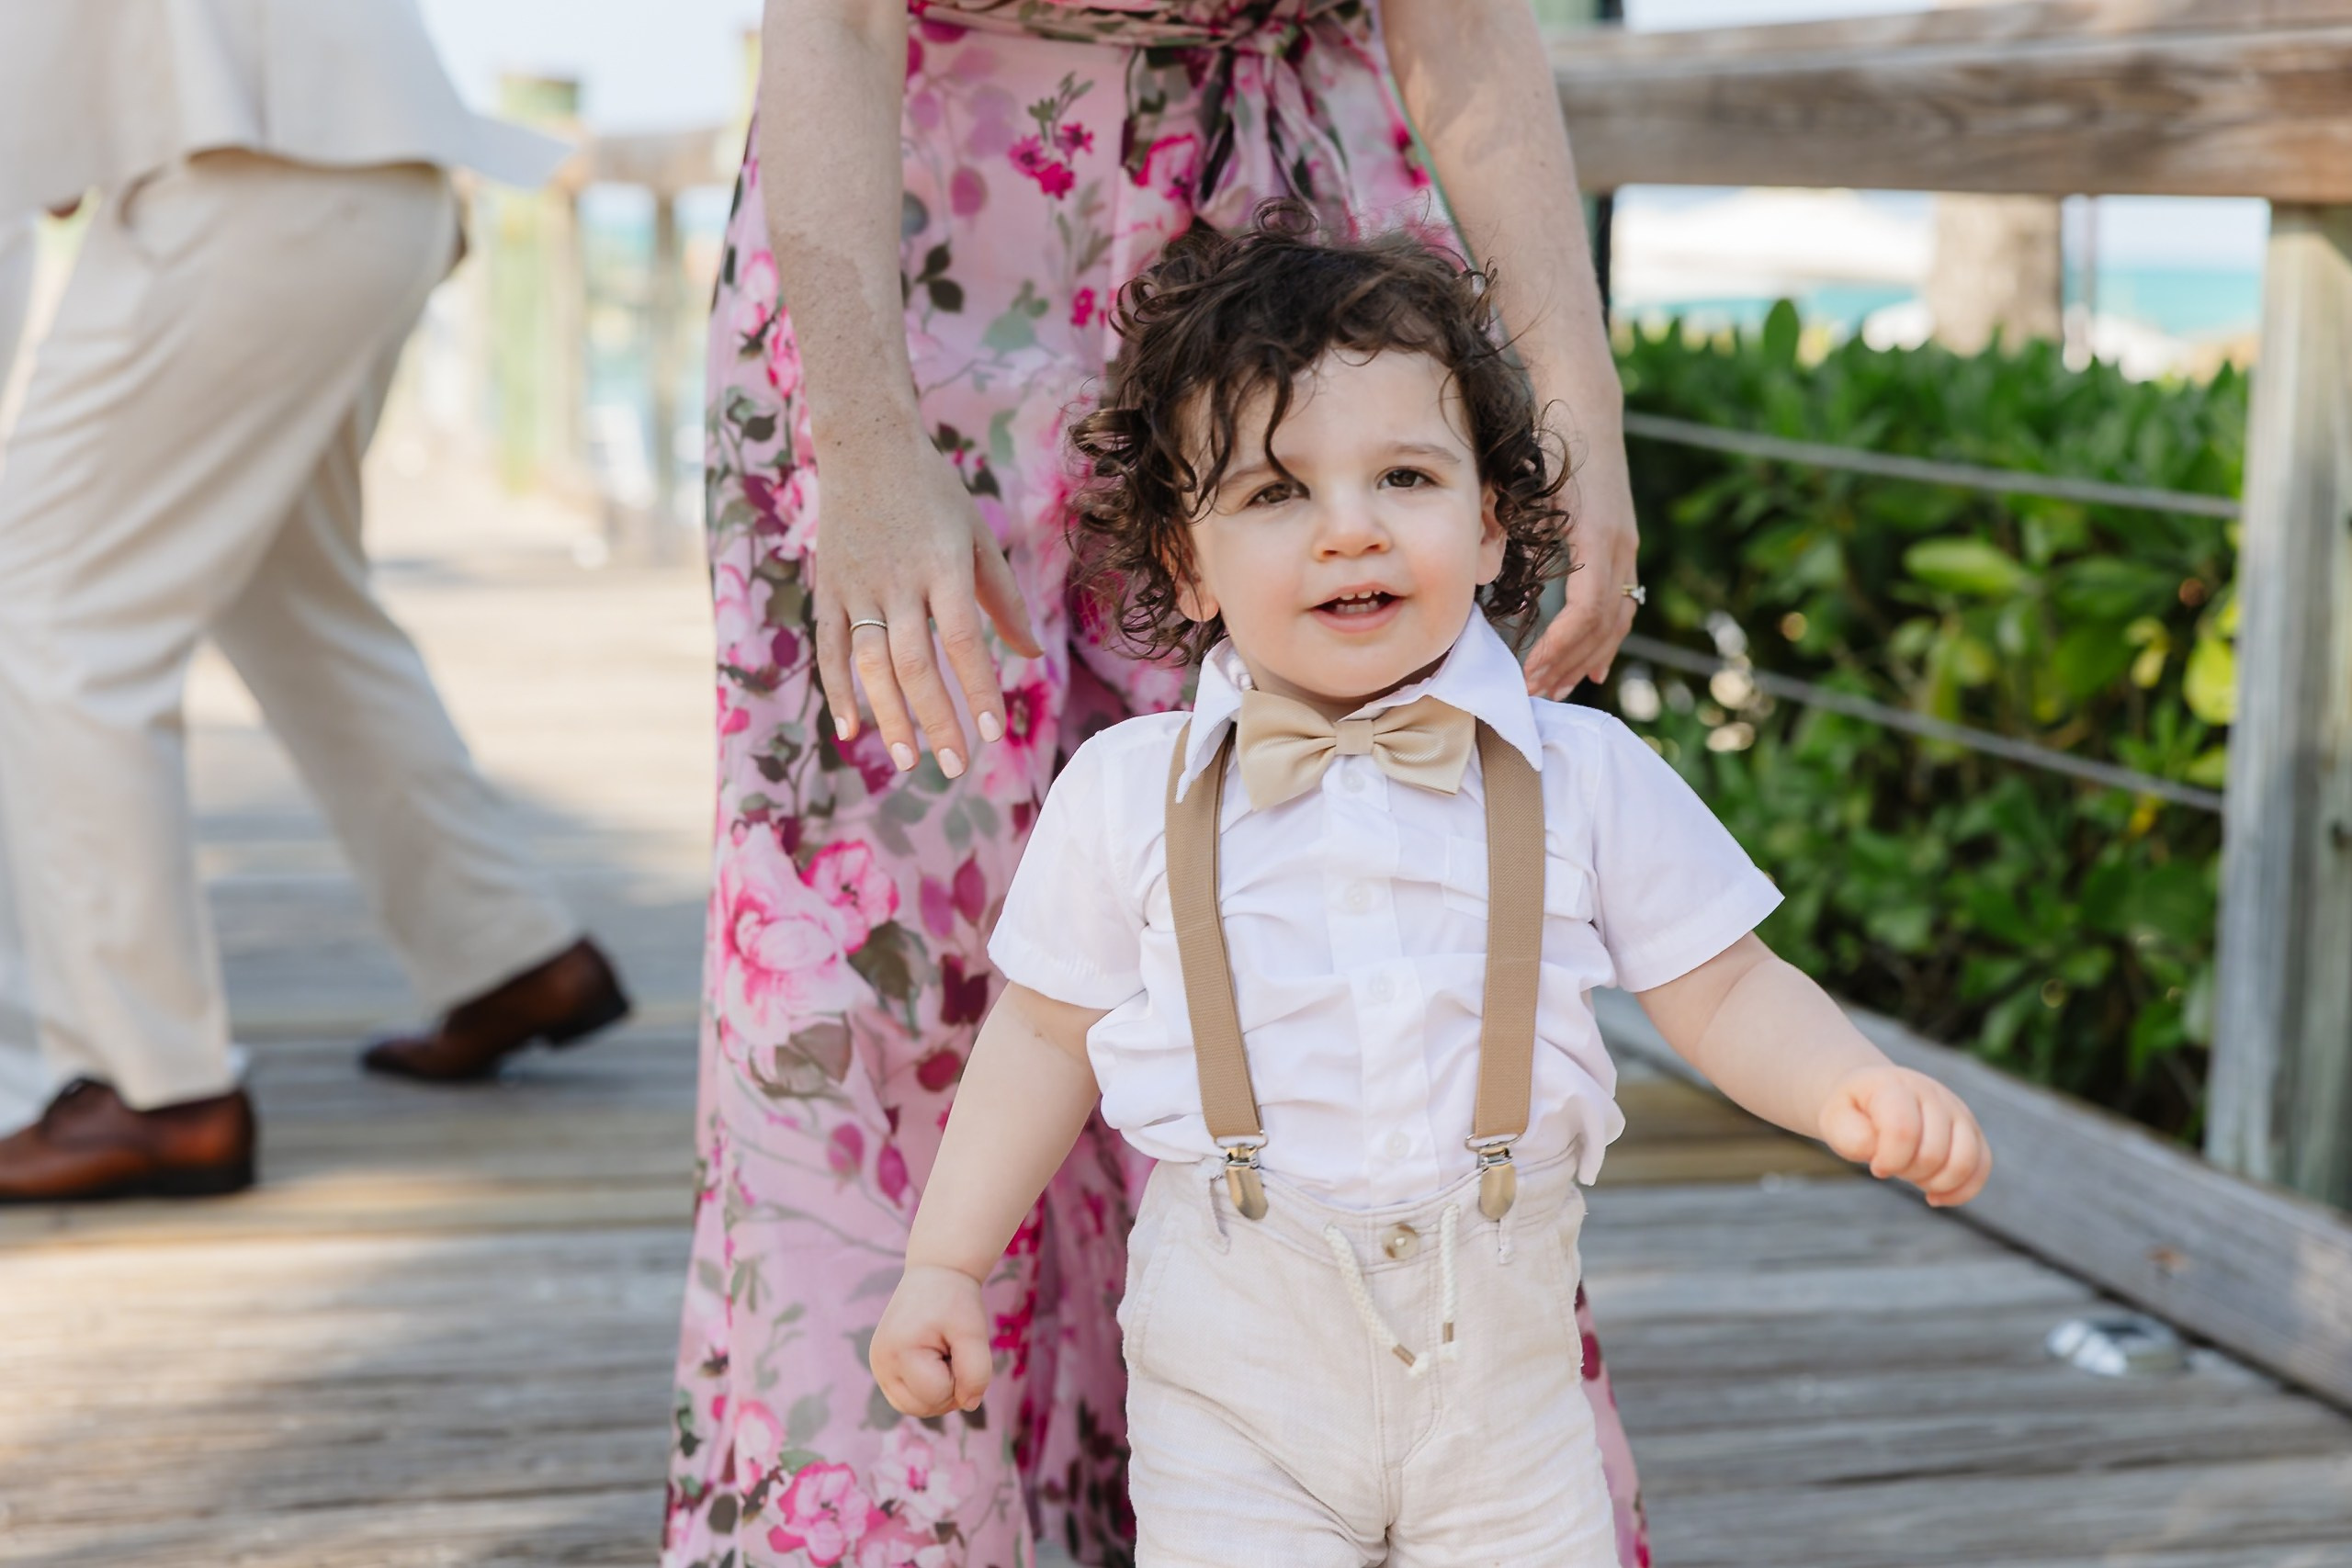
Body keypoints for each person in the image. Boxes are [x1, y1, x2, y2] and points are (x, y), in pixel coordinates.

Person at [673, 4, 1653, 1563]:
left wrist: (1574, 398)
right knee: (882, 975)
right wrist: (859, 438)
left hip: (1301, 253)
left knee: (1361, 923)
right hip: (914, 229)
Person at [870, 214, 1994, 1564]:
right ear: (1186, 561)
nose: (1350, 533)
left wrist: (1844, 1086)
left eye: (1404, 477)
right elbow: (1044, 1037)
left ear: (1491, 521)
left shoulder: (1580, 771)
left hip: (1505, 1406)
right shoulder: (1126, 793)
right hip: (1237, 1393)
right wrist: (947, 1261)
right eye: (1277, 495)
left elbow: (1724, 981)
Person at [0, 0, 631, 1202]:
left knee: (48, 616)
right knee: (293, 595)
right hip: (376, 181)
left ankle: (149, 1086)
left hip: (243, 189)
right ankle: (504, 949)